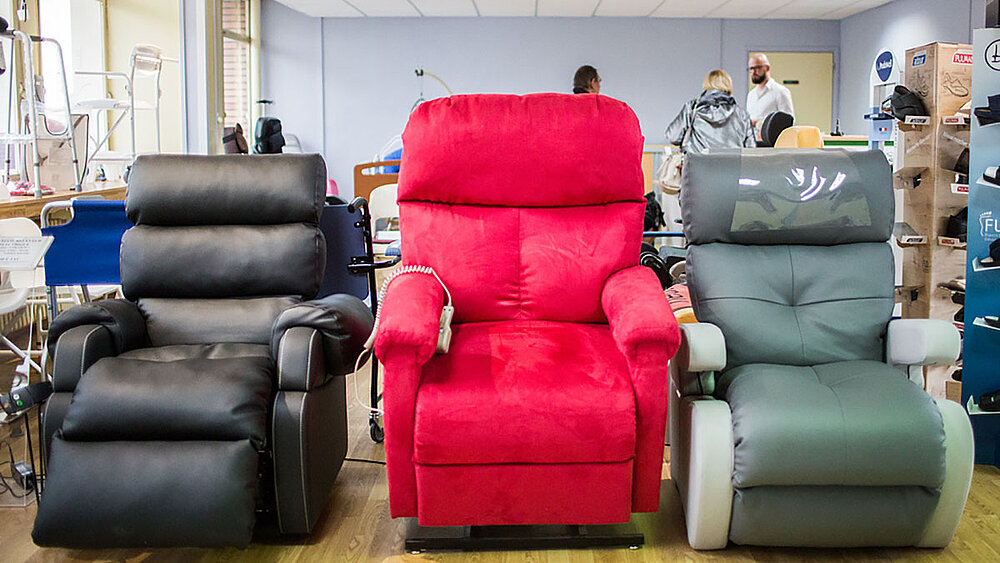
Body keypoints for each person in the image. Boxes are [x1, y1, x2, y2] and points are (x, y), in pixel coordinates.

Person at [663, 69, 755, 154]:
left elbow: (673, 137)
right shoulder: (742, 114)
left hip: (697, 168)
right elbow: (751, 149)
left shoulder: (692, 108)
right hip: (732, 169)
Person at [746, 53, 795, 129]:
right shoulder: (751, 95)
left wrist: (759, 123)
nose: (753, 72)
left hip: (773, 140)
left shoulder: (780, 92)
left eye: (757, 68)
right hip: (753, 139)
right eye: (751, 69)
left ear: (767, 68)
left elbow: (788, 122)